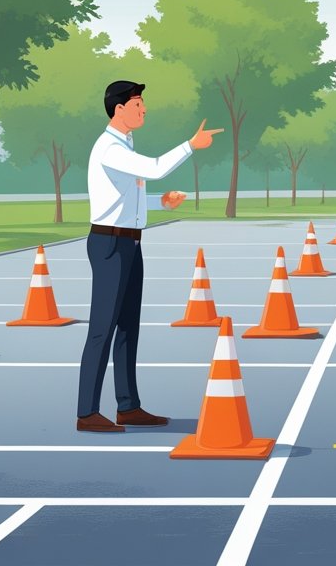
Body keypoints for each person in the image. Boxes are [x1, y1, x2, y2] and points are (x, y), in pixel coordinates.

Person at [77, 80, 222, 433]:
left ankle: (128, 406)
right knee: (102, 329)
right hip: (110, 245)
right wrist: (191, 145)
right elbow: (155, 168)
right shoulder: (109, 148)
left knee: (128, 327)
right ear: (119, 109)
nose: (144, 110)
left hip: (129, 243)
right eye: (138, 103)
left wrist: (162, 202)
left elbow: (125, 200)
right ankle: (87, 412)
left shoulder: (124, 145)